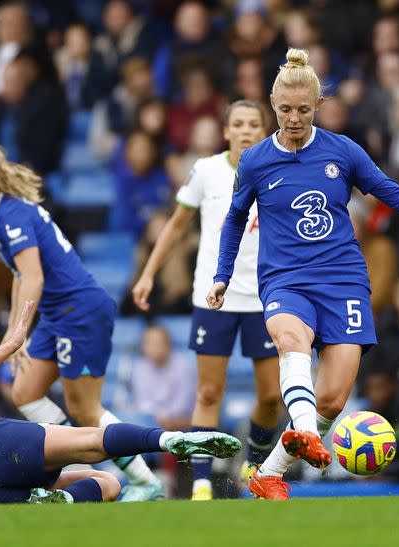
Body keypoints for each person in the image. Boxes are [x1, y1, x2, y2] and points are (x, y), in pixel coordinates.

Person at [206, 48, 399, 500]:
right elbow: (235, 219)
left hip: (343, 281)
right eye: (284, 110)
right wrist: (223, 273)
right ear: (272, 105)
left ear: (318, 106)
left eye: (303, 109)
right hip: (286, 278)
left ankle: (269, 471)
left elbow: (396, 195)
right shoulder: (256, 160)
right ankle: (304, 431)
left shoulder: (344, 151)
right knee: (289, 340)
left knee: (334, 399)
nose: (294, 118)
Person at [0, 301, 241, 507]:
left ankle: (61, 500)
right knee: (89, 441)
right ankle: (168, 440)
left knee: (105, 484)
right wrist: (9, 346)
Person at [0, 145, 164, 501]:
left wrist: (18, 332)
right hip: (56, 314)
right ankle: (81, 462)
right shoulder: (1, 215)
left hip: (78, 311)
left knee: (84, 408)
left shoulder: (11, 215)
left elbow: (33, 278)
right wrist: (12, 331)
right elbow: (21, 276)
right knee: (25, 391)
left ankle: (147, 482)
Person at [132, 100, 281, 500]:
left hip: (266, 297)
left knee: (271, 396)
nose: (246, 130)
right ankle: (201, 483)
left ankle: (253, 464)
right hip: (213, 295)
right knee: (209, 392)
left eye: (254, 123)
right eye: (238, 123)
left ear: (264, 130)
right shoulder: (206, 171)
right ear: (226, 131)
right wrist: (148, 273)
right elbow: (176, 225)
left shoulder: (279, 169)